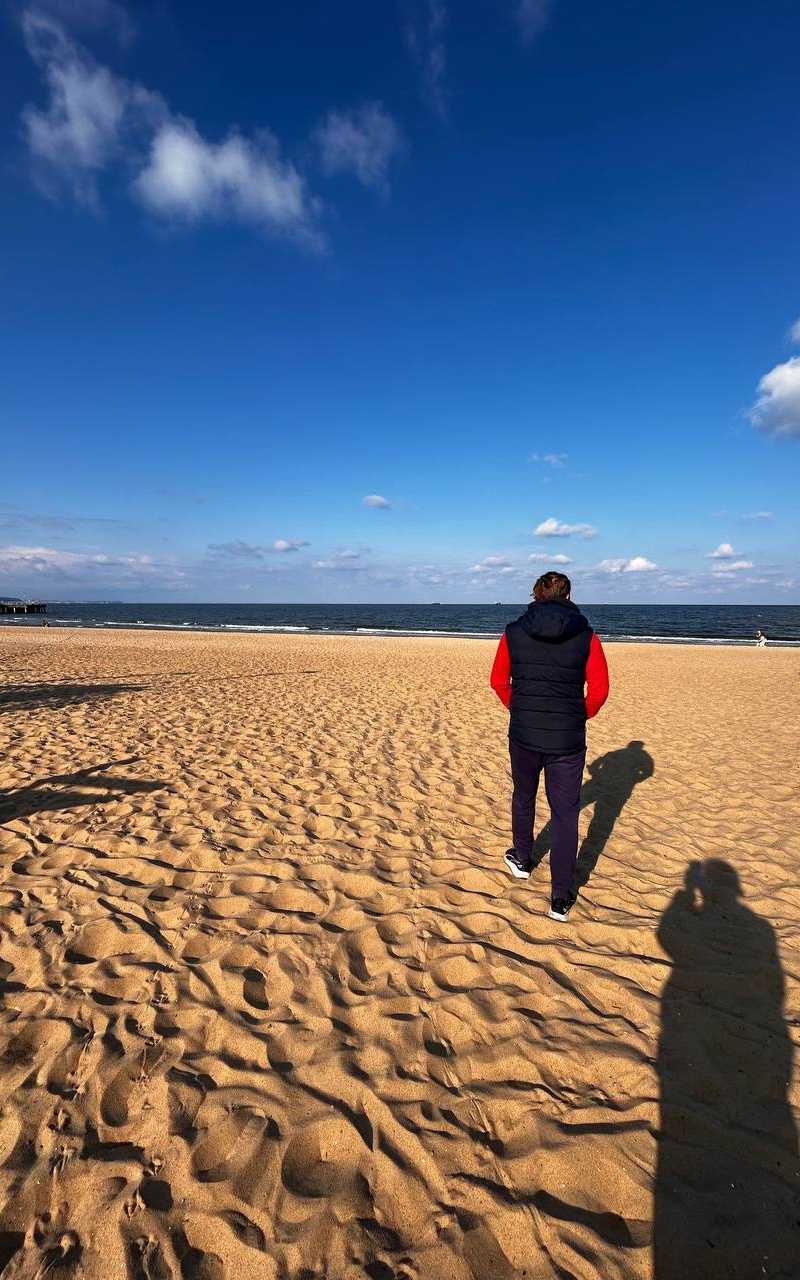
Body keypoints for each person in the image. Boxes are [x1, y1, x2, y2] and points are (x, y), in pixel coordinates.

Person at [490, 571, 609, 921]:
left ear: (536, 594)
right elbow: (599, 691)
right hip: (566, 739)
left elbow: (498, 681)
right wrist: (578, 715)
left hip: (525, 733)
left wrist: (520, 708)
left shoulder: (513, 631)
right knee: (565, 813)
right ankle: (560, 896)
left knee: (524, 796)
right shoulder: (586, 635)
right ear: (568, 595)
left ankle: (522, 859)